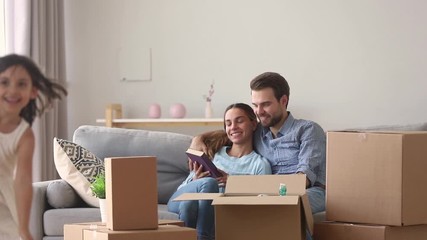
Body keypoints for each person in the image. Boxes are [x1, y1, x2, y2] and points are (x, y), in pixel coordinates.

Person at [192, 72, 326, 240]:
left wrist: (238, 181)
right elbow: (232, 131)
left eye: (265, 104)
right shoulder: (259, 130)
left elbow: (302, 181)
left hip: (308, 192)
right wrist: (199, 139)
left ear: (283, 101)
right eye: (255, 105)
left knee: (291, 204)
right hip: (268, 193)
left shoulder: (308, 130)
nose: (259, 112)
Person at [168, 103, 272, 240]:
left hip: (205, 207)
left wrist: (233, 182)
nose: (233, 127)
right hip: (180, 197)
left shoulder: (259, 164)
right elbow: (183, 189)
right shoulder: (214, 151)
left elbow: (264, 201)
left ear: (253, 124)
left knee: (189, 205)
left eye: (239, 121)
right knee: (208, 183)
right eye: (228, 124)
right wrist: (195, 180)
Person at [0, 54, 67, 240]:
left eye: (21, 84)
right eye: (4, 82)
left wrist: (23, 228)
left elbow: (22, 181)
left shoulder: (24, 136)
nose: (12, 90)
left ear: (33, 92)